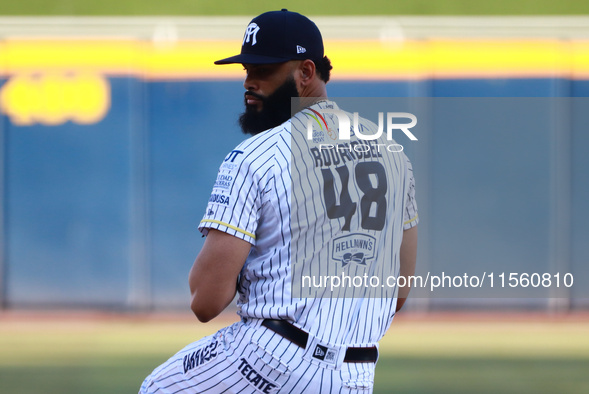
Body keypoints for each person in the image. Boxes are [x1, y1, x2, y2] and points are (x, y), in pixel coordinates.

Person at [140, 9, 418, 393]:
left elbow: (205, 302)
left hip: (272, 358)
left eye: (264, 70)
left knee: (158, 388)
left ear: (306, 72)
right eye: (247, 70)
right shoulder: (393, 155)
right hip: (356, 377)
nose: (250, 83)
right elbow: (399, 291)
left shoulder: (254, 156)